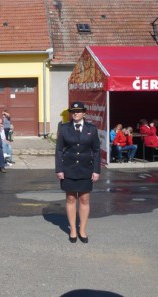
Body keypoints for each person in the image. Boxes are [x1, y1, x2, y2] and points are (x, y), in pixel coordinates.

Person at [55, 101, 100, 244]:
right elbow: (59, 150)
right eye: (73, 111)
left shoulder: (91, 129)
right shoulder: (64, 128)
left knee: (84, 199)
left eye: (79, 111)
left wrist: (96, 170)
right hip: (68, 169)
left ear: (84, 113)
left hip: (86, 169)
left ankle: (82, 229)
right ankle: (73, 229)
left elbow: (97, 150)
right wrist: (59, 169)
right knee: (70, 199)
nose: (75, 113)